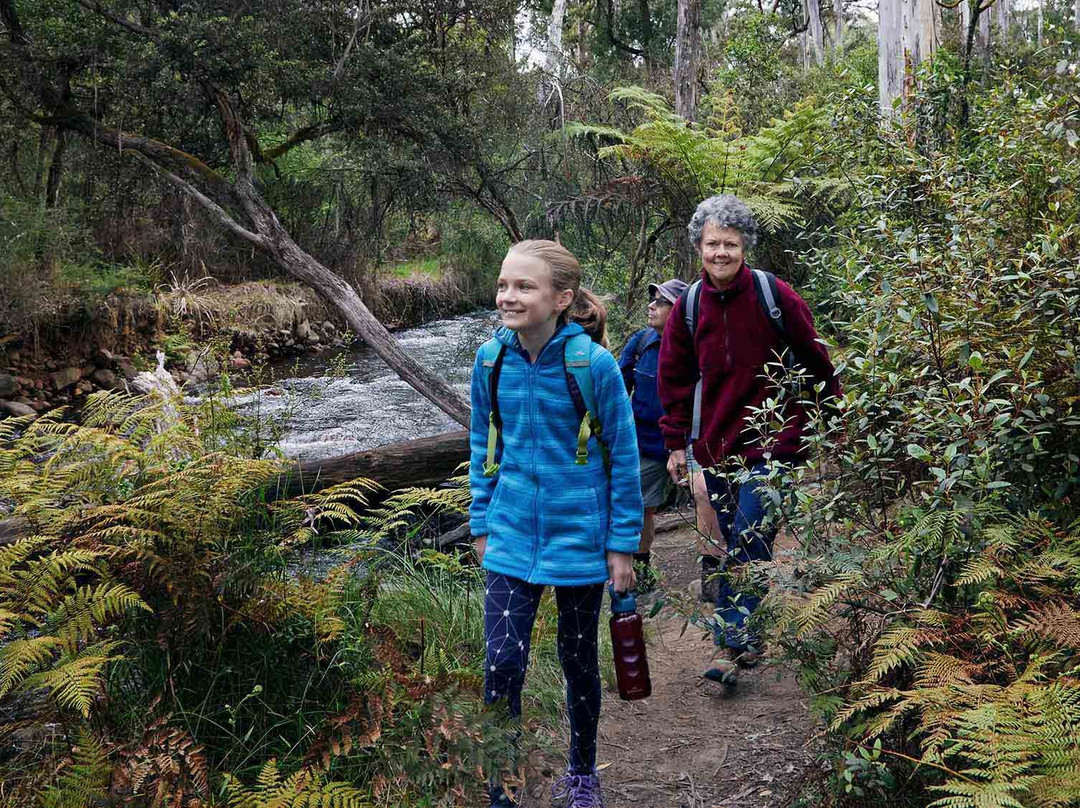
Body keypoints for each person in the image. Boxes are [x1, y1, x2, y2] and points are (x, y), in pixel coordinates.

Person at [469, 239, 642, 807]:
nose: (508, 296)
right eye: (503, 284)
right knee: (501, 663)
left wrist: (621, 544)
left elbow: (622, 454)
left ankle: (583, 772)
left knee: (576, 660)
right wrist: (482, 521)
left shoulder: (591, 365)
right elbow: (482, 443)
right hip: (511, 533)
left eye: (524, 286)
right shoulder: (490, 360)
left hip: (579, 538)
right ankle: (502, 784)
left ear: (562, 297)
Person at [657, 195, 839, 687]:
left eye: (730, 244)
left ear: (744, 247)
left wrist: (830, 423)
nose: (721, 253)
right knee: (733, 536)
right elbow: (673, 380)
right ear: (699, 246)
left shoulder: (772, 294)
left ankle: (733, 642)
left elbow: (817, 360)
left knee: (751, 534)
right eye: (713, 243)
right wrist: (677, 445)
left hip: (774, 441)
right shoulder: (689, 307)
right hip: (716, 446)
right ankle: (749, 635)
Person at [617, 278, 687, 592]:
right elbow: (618, 389)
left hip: (690, 444)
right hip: (646, 443)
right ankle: (642, 570)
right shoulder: (641, 342)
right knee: (642, 505)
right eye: (653, 300)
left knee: (707, 501)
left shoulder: (695, 344)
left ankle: (716, 571)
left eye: (660, 301)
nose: (651, 306)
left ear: (679, 309)